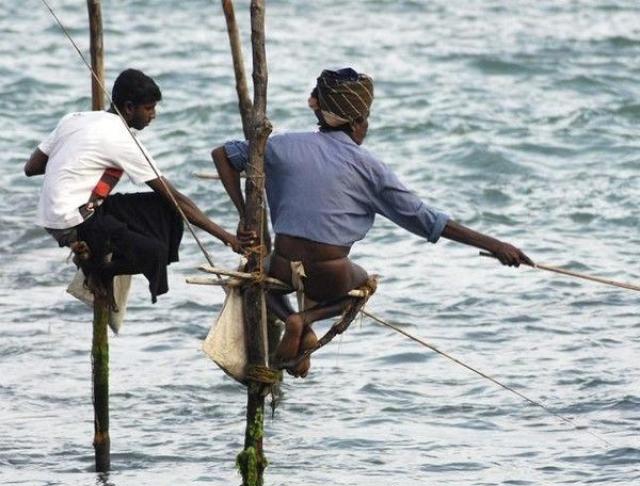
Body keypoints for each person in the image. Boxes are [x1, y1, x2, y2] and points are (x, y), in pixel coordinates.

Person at [211, 67, 533, 377]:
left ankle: (292, 320)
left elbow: (222, 155)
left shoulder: (280, 145)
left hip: (283, 264)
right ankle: (303, 319)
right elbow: (428, 221)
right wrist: (496, 245)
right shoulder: (369, 167)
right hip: (328, 276)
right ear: (358, 122)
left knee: (255, 274)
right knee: (364, 284)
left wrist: (243, 215)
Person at [25, 68, 245, 304]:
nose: (153, 115)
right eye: (149, 108)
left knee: (163, 210)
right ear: (129, 108)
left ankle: (99, 251)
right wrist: (227, 238)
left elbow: (32, 167)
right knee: (155, 251)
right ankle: (98, 270)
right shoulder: (121, 139)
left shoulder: (74, 118)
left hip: (57, 215)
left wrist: (72, 165)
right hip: (75, 221)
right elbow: (176, 198)